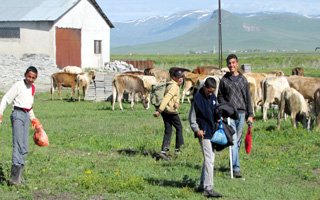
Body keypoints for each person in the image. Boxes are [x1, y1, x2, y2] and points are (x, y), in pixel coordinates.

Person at [0, 66, 38, 185]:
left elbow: (29, 105)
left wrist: (33, 119)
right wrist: (0, 112)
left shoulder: (32, 88)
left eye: (33, 77)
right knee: (18, 145)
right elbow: (6, 98)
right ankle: (14, 179)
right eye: (29, 76)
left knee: (25, 147)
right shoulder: (18, 85)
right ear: (25, 75)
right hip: (17, 114)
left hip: (26, 115)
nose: (30, 79)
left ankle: (19, 176)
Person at [217, 54, 254, 178]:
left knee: (237, 140)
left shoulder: (243, 80)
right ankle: (236, 168)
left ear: (237, 64)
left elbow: (248, 98)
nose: (231, 65)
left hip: (242, 113)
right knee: (232, 139)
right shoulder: (224, 80)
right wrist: (224, 107)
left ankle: (233, 162)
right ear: (227, 65)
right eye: (229, 63)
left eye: (233, 63)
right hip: (230, 114)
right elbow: (220, 96)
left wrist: (250, 114)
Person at [189, 77, 222, 198]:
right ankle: (208, 188)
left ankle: (202, 184)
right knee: (210, 160)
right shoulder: (197, 99)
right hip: (203, 134)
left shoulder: (213, 97)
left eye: (213, 91)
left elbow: (215, 110)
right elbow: (192, 118)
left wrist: (219, 115)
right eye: (209, 91)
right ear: (204, 88)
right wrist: (196, 130)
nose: (211, 93)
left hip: (212, 132)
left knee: (209, 158)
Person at [153, 68, 184, 160]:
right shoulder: (174, 86)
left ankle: (164, 151)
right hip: (170, 111)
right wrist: (159, 110)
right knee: (179, 128)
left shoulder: (172, 84)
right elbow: (167, 98)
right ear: (174, 77)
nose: (181, 78)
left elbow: (175, 96)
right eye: (179, 77)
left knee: (168, 130)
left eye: (181, 77)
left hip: (166, 111)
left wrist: (177, 102)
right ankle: (178, 149)